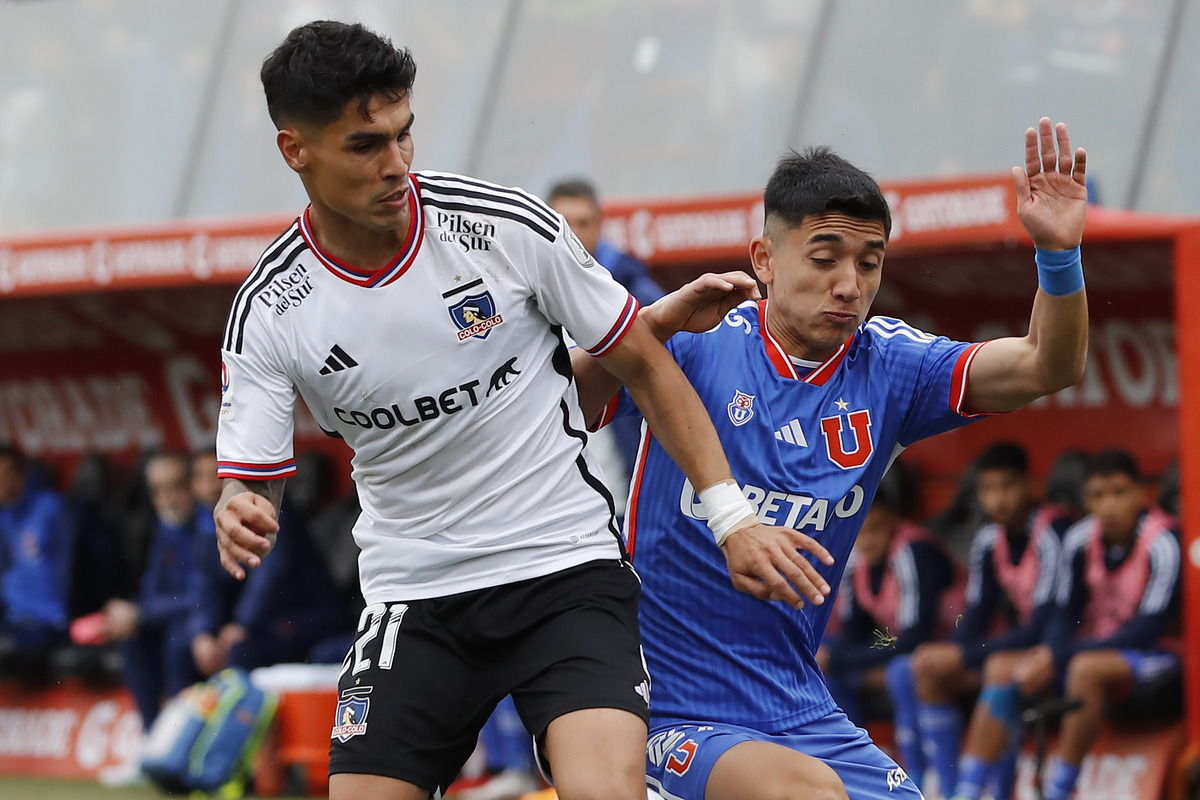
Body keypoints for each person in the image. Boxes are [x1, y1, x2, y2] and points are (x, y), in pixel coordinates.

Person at [214, 21, 828, 800]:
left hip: (562, 569)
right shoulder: (272, 307)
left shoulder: (502, 226)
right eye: (367, 146)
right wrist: (242, 504)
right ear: (294, 149)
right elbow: (252, 476)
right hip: (414, 596)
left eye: (406, 136)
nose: (398, 164)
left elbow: (639, 357)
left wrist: (732, 518)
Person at [572, 118, 1090, 799]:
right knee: (805, 795)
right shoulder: (697, 343)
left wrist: (1058, 256)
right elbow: (562, 410)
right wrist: (655, 325)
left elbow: (1045, 365)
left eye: (869, 263)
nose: (849, 284)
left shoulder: (893, 368)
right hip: (669, 711)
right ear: (765, 257)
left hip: (798, 708)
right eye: (825, 259)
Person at [949, 450, 1180, 800]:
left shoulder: (1163, 540)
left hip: (1157, 656)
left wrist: (1058, 656)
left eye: (1119, 493)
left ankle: (1058, 792)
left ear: (1140, 493)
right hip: (1089, 652)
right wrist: (1049, 654)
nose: (1109, 505)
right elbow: (1063, 613)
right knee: (1001, 668)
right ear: (1086, 499)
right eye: (1098, 496)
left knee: (1084, 670)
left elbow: (1147, 629)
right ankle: (967, 793)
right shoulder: (1080, 538)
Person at [890, 442, 1073, 796]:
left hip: (1054, 653)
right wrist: (951, 653)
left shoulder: (1054, 530)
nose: (998, 498)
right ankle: (942, 788)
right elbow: (976, 616)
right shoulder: (989, 539)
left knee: (999, 669)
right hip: (1018, 653)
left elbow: (1045, 624)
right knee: (926, 669)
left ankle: (968, 793)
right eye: (988, 489)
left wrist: (962, 655)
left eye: (1006, 486)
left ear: (1027, 485)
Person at [817, 467, 960, 729]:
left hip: (945, 646)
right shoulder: (857, 560)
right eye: (861, 531)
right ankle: (850, 755)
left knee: (900, 672)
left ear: (893, 521)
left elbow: (914, 639)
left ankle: (921, 768)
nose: (868, 541)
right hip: (903, 649)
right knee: (820, 662)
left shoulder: (912, 551)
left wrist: (839, 659)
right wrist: (832, 657)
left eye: (876, 529)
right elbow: (854, 632)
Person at [103, 452, 203, 727]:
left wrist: (141, 612)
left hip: (206, 620)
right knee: (132, 636)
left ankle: (179, 737)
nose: (168, 498)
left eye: (176, 487)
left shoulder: (208, 525)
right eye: (158, 491)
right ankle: (151, 737)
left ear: (192, 485)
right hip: (175, 618)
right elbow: (152, 590)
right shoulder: (164, 529)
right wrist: (129, 612)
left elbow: (201, 596)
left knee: (176, 637)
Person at [0, 444, 72, 658]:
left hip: (47, 620)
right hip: (12, 617)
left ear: (21, 475)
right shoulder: (3, 516)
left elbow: (70, 566)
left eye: (5, 475)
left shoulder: (50, 508)